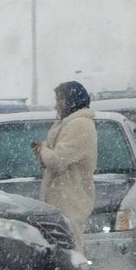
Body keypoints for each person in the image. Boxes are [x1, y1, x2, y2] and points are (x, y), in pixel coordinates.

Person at [33, 80, 97, 252]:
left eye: (59, 100)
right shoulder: (70, 124)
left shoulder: (79, 125)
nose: (56, 106)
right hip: (64, 200)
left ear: (71, 100)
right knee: (64, 251)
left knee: (70, 251)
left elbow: (58, 161)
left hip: (69, 200)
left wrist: (43, 150)